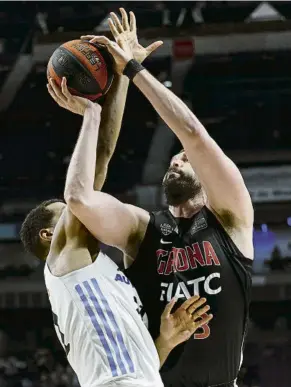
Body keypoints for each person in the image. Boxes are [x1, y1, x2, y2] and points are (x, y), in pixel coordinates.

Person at [20, 29, 212, 387]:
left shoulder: (93, 272)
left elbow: (138, 367)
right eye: (66, 210)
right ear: (50, 234)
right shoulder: (64, 259)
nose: (81, 208)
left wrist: (164, 342)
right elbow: (94, 172)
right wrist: (97, 107)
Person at [74, 8, 254, 387]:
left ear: (207, 178)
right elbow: (82, 200)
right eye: (173, 159)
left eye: (185, 159)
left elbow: (192, 133)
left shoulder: (231, 216)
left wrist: (134, 71)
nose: (177, 159)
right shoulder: (142, 229)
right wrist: (99, 107)